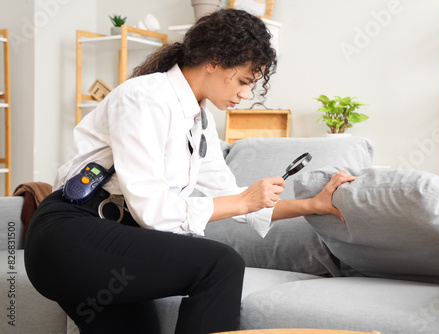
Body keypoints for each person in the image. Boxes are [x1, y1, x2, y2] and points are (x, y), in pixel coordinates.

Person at [24, 9, 356, 334]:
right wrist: (242, 202)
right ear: (213, 60)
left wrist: (313, 205)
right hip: (70, 238)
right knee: (220, 264)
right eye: (242, 80)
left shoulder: (200, 120)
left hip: (116, 247)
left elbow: (231, 196)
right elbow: (154, 211)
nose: (246, 93)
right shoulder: (144, 98)